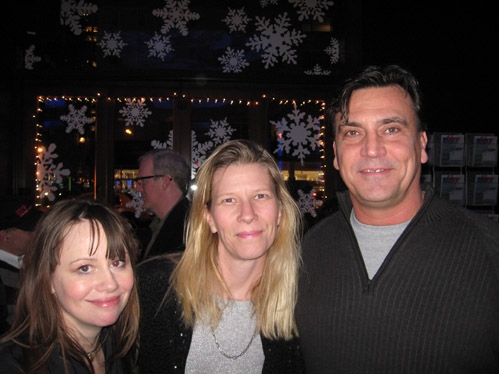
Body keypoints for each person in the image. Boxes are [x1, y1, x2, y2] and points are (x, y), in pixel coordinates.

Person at [295, 64, 499, 373]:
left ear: (421, 145)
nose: (372, 149)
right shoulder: (307, 252)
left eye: (391, 129)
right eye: (353, 132)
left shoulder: (489, 248)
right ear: (336, 154)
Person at [137, 139, 305, 373]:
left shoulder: (301, 301)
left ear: (280, 212)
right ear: (209, 218)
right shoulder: (155, 287)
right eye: (229, 200)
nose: (247, 214)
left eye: (260, 196)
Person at [0, 199, 140, 373]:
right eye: (85, 268)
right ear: (48, 279)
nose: (110, 284)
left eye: (117, 263)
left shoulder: (123, 349)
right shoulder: (13, 366)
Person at [135, 149, 191, 262]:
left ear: (164, 182)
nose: (138, 188)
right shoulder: (162, 223)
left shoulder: (188, 230)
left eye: (143, 181)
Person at [0, 195, 43, 335]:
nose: (37, 233)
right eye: (30, 230)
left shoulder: (32, 261)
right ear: (5, 236)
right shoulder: (4, 279)